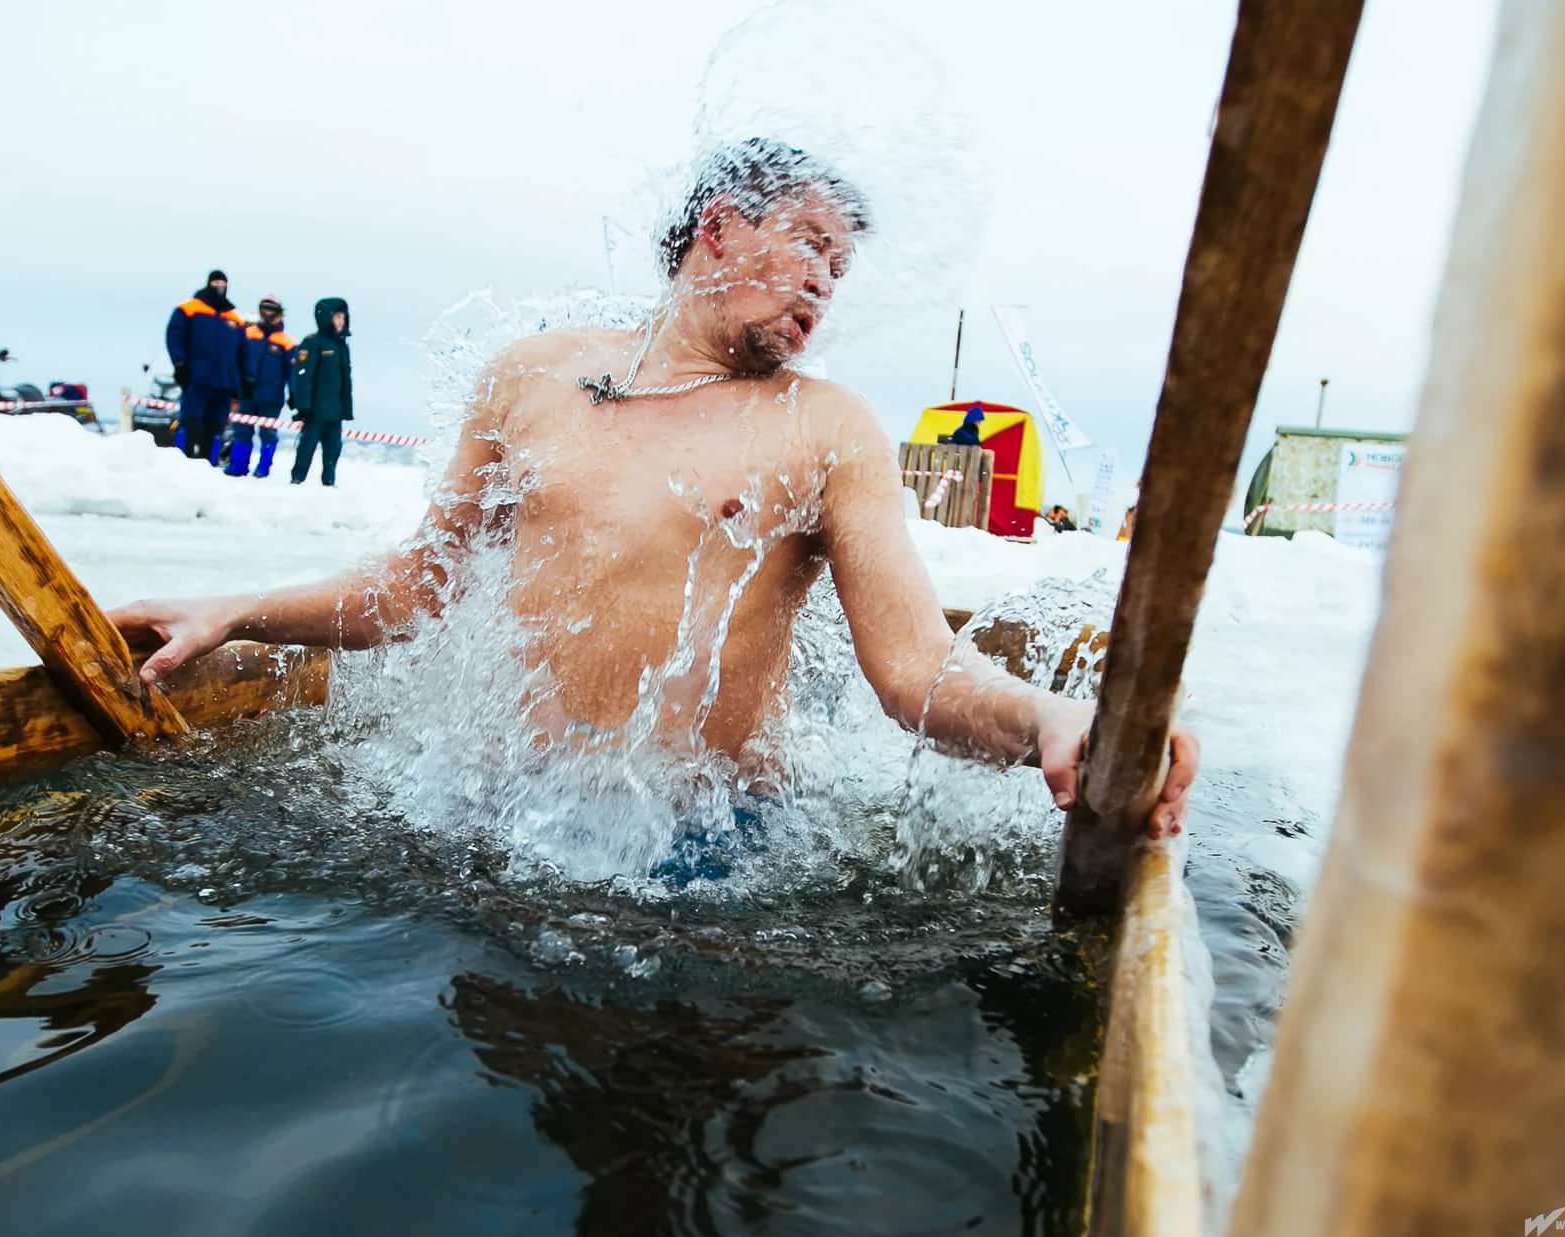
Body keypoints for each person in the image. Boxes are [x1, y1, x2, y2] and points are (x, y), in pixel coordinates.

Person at [112, 139, 1197, 847]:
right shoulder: (530, 378)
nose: (826, 278)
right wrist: (238, 611)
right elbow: (419, 586)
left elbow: (915, 670)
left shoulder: (826, 428)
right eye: (809, 243)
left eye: (841, 266)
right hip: (499, 819)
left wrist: (1050, 717)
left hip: (706, 839)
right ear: (719, 227)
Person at [165, 269, 243, 464]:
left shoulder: (234, 318)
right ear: (208, 284)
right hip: (196, 378)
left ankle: (210, 464)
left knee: (216, 426)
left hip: (224, 383)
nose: (219, 288)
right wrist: (179, 363)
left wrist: (242, 381)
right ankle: (183, 461)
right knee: (191, 421)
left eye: (223, 284)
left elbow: (242, 353)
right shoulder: (188, 309)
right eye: (215, 284)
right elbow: (174, 336)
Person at [286, 297, 352, 487]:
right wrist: (303, 407)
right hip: (315, 410)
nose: (341, 321)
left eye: (343, 317)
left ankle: (329, 483)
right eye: (337, 316)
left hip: (335, 411)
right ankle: (297, 479)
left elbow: (345, 381)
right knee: (307, 446)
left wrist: (346, 409)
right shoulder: (312, 343)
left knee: (333, 449)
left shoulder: (341, 346)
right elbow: (303, 377)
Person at [228, 295, 292, 478]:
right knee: (241, 430)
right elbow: (235, 362)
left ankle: (263, 469)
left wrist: (295, 396)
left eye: (271, 308)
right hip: (246, 393)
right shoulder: (247, 334)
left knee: (268, 432)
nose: (267, 312)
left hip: (271, 397)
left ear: (279, 312)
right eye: (264, 307)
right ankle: (237, 466)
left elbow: (292, 373)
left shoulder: (286, 342)